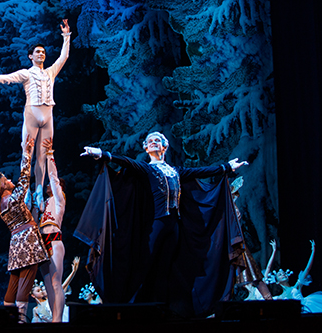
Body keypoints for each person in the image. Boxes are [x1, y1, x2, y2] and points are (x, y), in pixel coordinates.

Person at [77, 131, 248, 316]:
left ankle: (162, 307)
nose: (153, 142)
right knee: (145, 264)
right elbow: (126, 161)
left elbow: (200, 171)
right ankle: (132, 306)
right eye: (149, 141)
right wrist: (102, 154)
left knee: (166, 267)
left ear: (164, 146)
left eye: (157, 140)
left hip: (175, 226)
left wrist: (226, 167)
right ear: (145, 148)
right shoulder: (147, 169)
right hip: (156, 224)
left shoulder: (175, 171)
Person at [0, 20, 71, 192]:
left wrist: (66, 35)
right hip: (32, 113)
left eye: (43, 52)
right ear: (31, 56)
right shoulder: (26, 73)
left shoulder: (50, 72)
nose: (41, 54)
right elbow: (8, 77)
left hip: (48, 114)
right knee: (27, 152)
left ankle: (38, 189)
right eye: (37, 52)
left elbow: (64, 57)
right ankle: (24, 190)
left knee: (44, 154)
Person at [0, 136, 49, 323]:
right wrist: (26, 153)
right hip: (27, 240)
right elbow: (24, 178)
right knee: (26, 280)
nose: (11, 180)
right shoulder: (12, 199)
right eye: (7, 180)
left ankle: (7, 318)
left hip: (15, 243)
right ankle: (20, 320)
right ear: (4, 186)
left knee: (14, 281)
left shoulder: (1, 206)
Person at [35, 138, 67, 322]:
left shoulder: (59, 199)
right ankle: (54, 318)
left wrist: (49, 155)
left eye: (53, 185)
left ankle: (58, 320)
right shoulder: (46, 203)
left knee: (56, 283)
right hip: (43, 241)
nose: (49, 185)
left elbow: (53, 178)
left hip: (54, 238)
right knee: (48, 285)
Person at [228, 177, 272, 300]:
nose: (236, 195)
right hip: (229, 244)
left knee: (253, 274)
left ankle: (270, 301)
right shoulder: (226, 209)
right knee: (227, 278)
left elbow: (237, 218)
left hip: (238, 244)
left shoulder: (233, 208)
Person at [264, 240, 322, 312]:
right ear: (277, 282)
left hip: (306, 311)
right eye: (280, 275)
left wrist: (313, 251)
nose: (283, 274)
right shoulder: (279, 298)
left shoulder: (296, 286)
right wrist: (274, 251)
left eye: (284, 273)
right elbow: (267, 272)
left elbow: (307, 269)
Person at [31, 256, 80, 323]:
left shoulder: (53, 299)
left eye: (42, 289)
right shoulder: (36, 309)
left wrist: (73, 272)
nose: (42, 291)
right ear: (33, 295)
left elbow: (63, 285)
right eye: (39, 290)